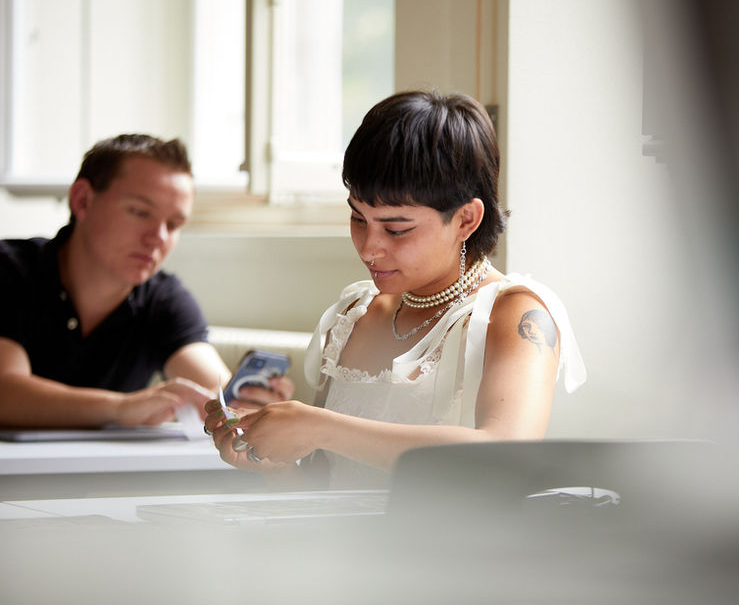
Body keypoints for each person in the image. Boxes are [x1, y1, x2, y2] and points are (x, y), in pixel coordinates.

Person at [205, 90, 586, 489]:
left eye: (396, 229)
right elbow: (323, 488)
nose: (369, 248)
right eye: (358, 218)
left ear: (466, 220)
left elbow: (505, 456)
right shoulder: (355, 313)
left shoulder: (515, 313)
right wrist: (274, 466)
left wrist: (321, 427)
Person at [0, 134, 292, 429]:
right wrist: (120, 407)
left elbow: (214, 394)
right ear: (82, 200)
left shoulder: (164, 298)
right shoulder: (8, 270)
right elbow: (5, 391)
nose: (158, 238)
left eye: (173, 224)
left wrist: (246, 404)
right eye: (140, 212)